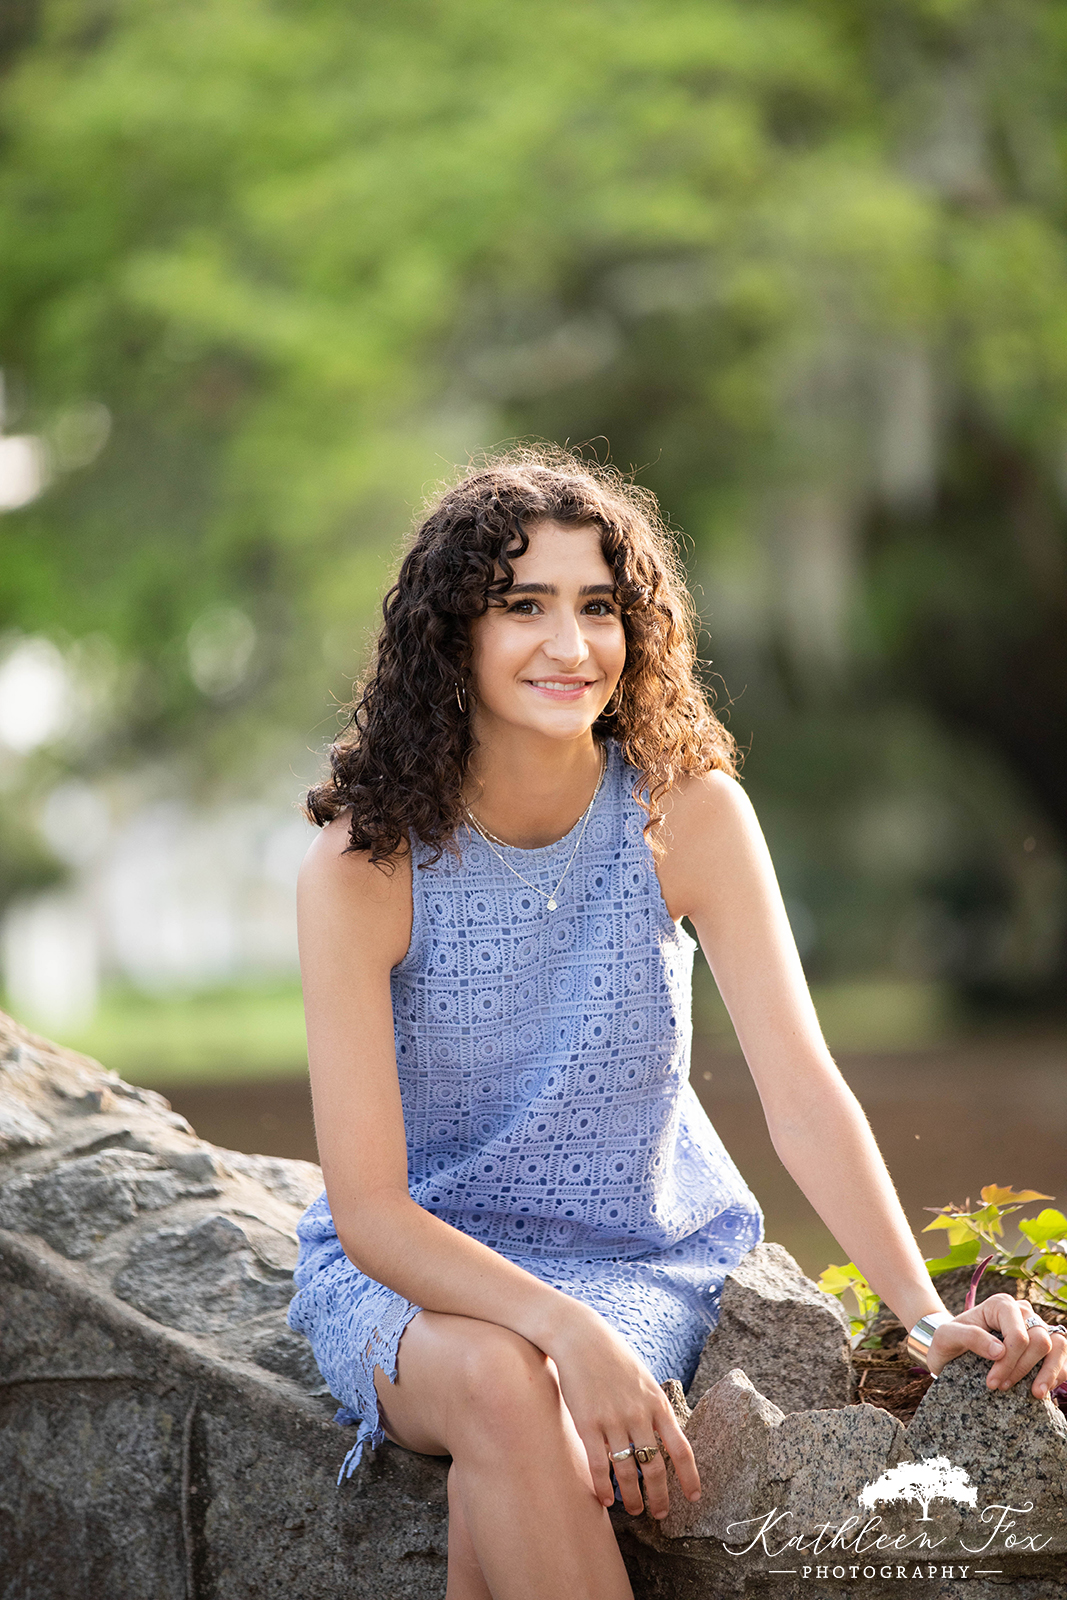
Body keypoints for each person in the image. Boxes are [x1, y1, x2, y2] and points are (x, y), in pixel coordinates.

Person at [287, 449, 1066, 1600]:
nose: (571, 645)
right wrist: (566, 1337)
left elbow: (801, 1090)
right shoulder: (365, 863)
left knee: (511, 1442)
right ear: (451, 632)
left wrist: (918, 1317)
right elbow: (370, 1211)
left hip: (631, 1260)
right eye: (523, 606)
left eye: (597, 606)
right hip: (418, 1278)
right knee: (511, 1386)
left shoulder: (683, 811)